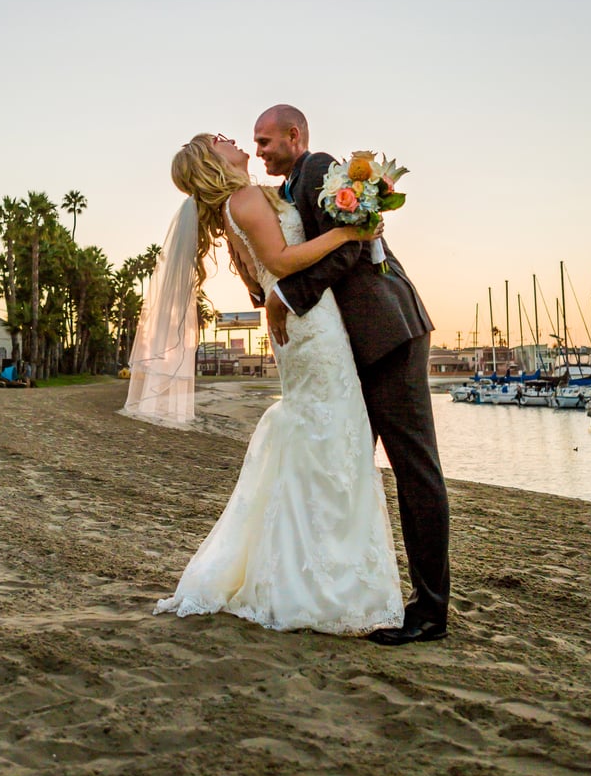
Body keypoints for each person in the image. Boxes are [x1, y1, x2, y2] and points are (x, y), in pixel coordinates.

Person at [152, 132, 404, 636]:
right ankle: (322, 581)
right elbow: (283, 262)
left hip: (302, 325)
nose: (231, 139)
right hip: (312, 327)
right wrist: (349, 233)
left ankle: (312, 568)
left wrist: (275, 291)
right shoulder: (245, 199)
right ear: (211, 161)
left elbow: (257, 281)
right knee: (333, 437)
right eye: (219, 140)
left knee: (323, 436)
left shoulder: (234, 209)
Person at [253, 105, 450, 646]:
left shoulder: (317, 168)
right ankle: (348, 589)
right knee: (353, 466)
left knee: (415, 470)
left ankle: (431, 611)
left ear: (294, 135)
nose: (260, 151)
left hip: (388, 330)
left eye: (266, 141)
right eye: (256, 142)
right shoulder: (290, 186)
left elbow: (353, 245)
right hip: (355, 343)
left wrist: (287, 295)